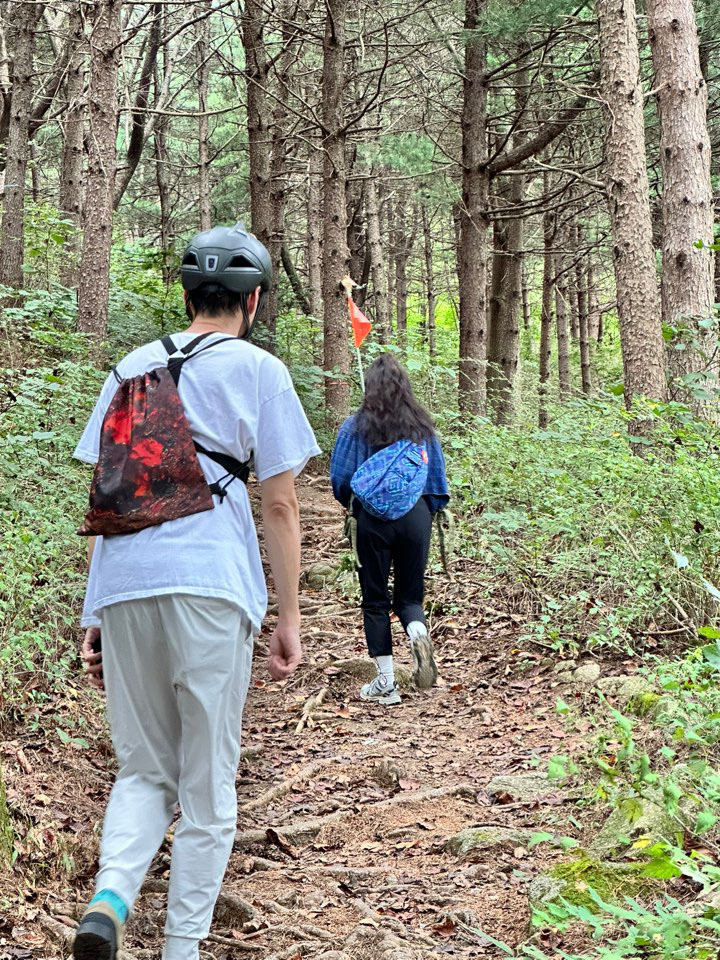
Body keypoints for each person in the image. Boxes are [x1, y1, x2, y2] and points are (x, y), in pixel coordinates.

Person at [72, 223, 320, 960]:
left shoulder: (130, 368)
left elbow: (111, 496)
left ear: (187, 297)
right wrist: (289, 615)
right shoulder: (260, 370)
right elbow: (280, 503)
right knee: (208, 786)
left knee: (145, 769)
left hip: (126, 587)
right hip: (211, 587)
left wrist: (95, 612)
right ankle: (181, 949)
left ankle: (111, 898)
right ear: (254, 301)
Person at [330, 353, 449, 707]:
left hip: (372, 520)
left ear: (369, 388)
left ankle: (386, 683)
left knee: (375, 600)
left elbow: (341, 480)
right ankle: (418, 633)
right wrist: (425, 512)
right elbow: (437, 483)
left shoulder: (355, 427)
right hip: (417, 517)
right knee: (410, 598)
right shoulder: (423, 429)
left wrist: (357, 507)